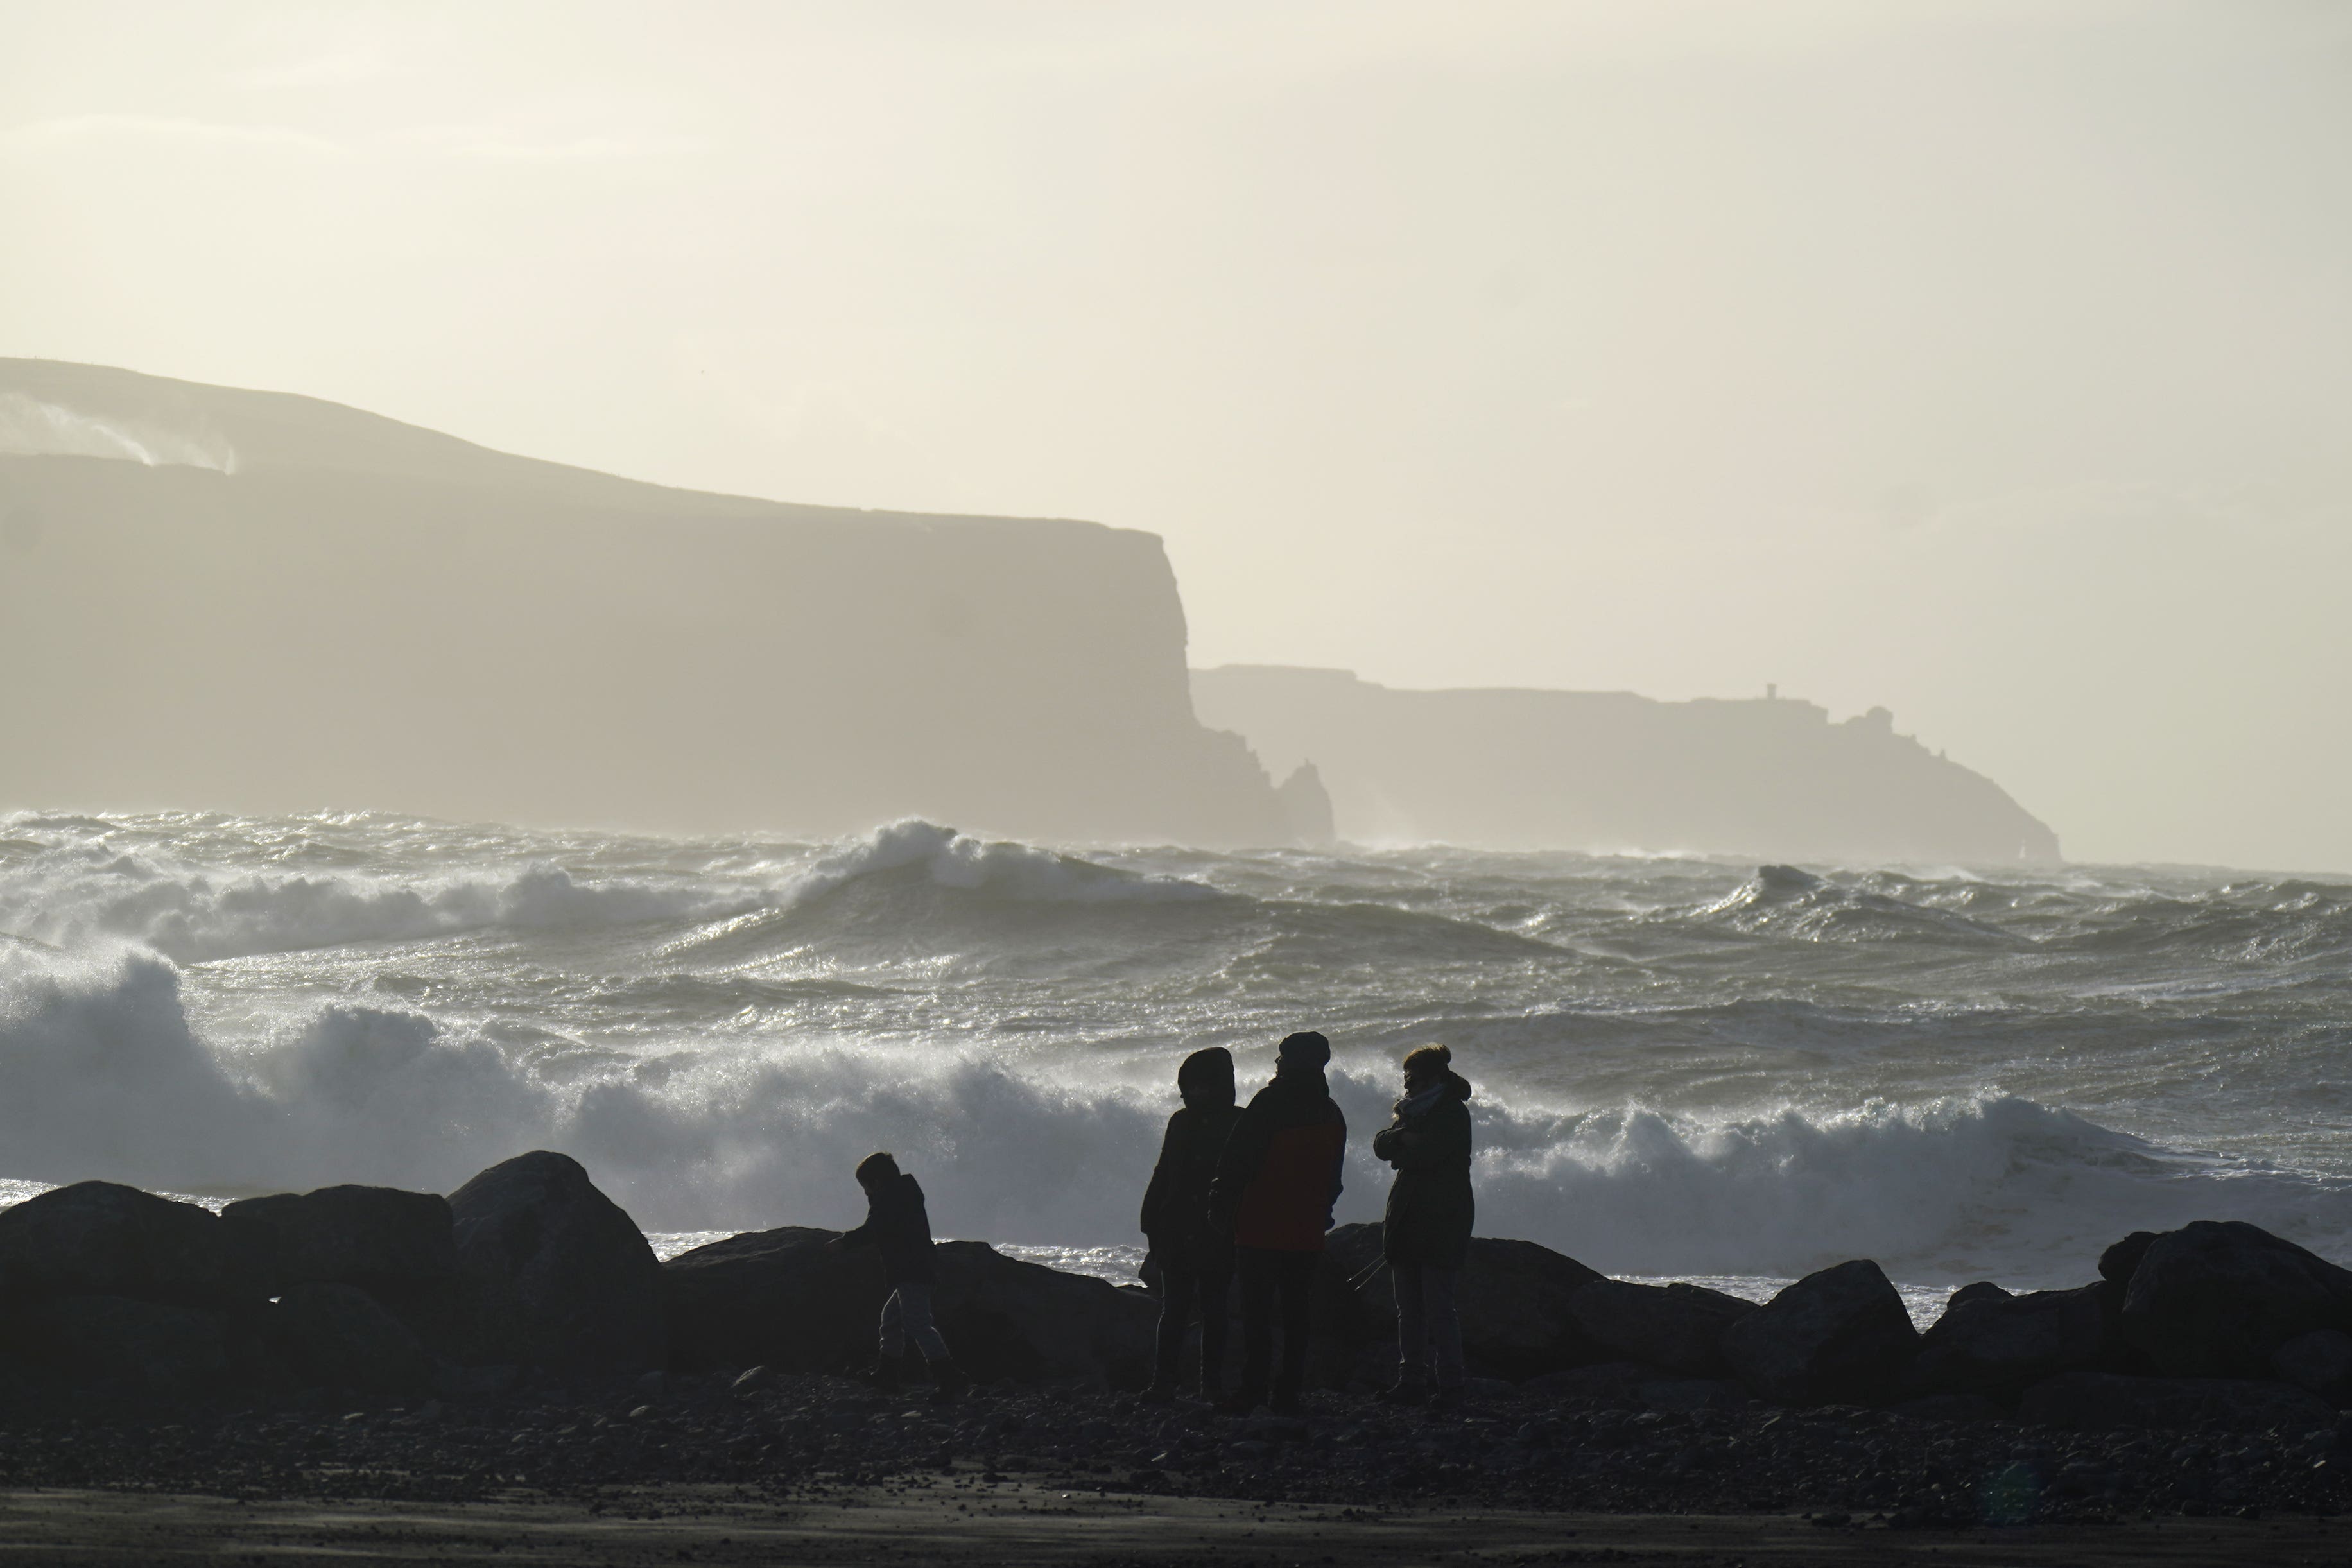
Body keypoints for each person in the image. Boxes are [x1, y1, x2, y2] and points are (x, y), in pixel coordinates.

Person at [1207, 1030, 1347, 1416]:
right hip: (1305, 1232)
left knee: (1257, 1315)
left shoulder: (1269, 1103)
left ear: (1295, 1062)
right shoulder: (1331, 1111)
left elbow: (1236, 1161)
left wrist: (1220, 1204)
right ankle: (1288, 1393)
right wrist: (1322, 1211)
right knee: (1297, 1316)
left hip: (1260, 1227)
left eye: (1282, 1056)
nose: (1277, 1063)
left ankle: (1253, 1391)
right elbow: (1334, 1177)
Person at [1138, 1046, 1245, 1402]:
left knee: (1215, 1310)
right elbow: (1163, 1171)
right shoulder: (1179, 1122)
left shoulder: (1238, 1122)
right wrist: (1149, 1217)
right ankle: (1162, 1382)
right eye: (1189, 1087)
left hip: (1217, 1233)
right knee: (1174, 1310)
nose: (1193, 1094)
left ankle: (1210, 1384)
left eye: (1202, 1086)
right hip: (1175, 1231)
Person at [1370, 1043, 1474, 1409]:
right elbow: (1382, 1145)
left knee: (1439, 1308)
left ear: (1433, 1078)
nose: (1407, 1086)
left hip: (1443, 1219)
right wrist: (1401, 1138)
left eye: (1412, 1079)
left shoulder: (1451, 1113)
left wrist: (1403, 1145)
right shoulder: (1412, 1114)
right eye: (1406, 1079)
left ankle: (1451, 1386)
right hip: (1407, 1219)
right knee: (1409, 1309)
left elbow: (1426, 1156)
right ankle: (1411, 1380)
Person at [826, 1151, 967, 1403]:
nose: (865, 1193)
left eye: (865, 1187)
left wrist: (844, 1243)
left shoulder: (889, 1201)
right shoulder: (904, 1194)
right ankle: (887, 1374)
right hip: (917, 1267)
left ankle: (949, 1377)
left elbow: (874, 1229)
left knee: (918, 1323)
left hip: (911, 1270)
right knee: (891, 1319)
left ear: (877, 1183)